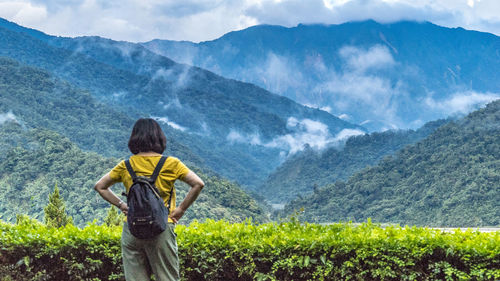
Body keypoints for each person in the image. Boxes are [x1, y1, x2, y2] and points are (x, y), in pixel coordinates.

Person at [94, 118, 204, 281]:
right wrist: (180, 210)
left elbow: (100, 186)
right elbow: (198, 184)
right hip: (161, 227)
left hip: (132, 228)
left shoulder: (126, 165)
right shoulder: (170, 164)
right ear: (159, 138)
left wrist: (121, 205)